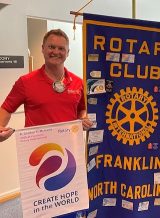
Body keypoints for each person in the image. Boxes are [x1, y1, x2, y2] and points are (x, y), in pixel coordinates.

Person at [0, 29, 92, 217]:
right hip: (37, 157)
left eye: (61, 48)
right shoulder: (25, 82)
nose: (56, 52)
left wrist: (83, 117)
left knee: (69, 206)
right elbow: (6, 109)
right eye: (51, 47)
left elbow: (82, 108)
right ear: (42, 49)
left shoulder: (77, 83)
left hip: (69, 156)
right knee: (42, 208)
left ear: (67, 53)